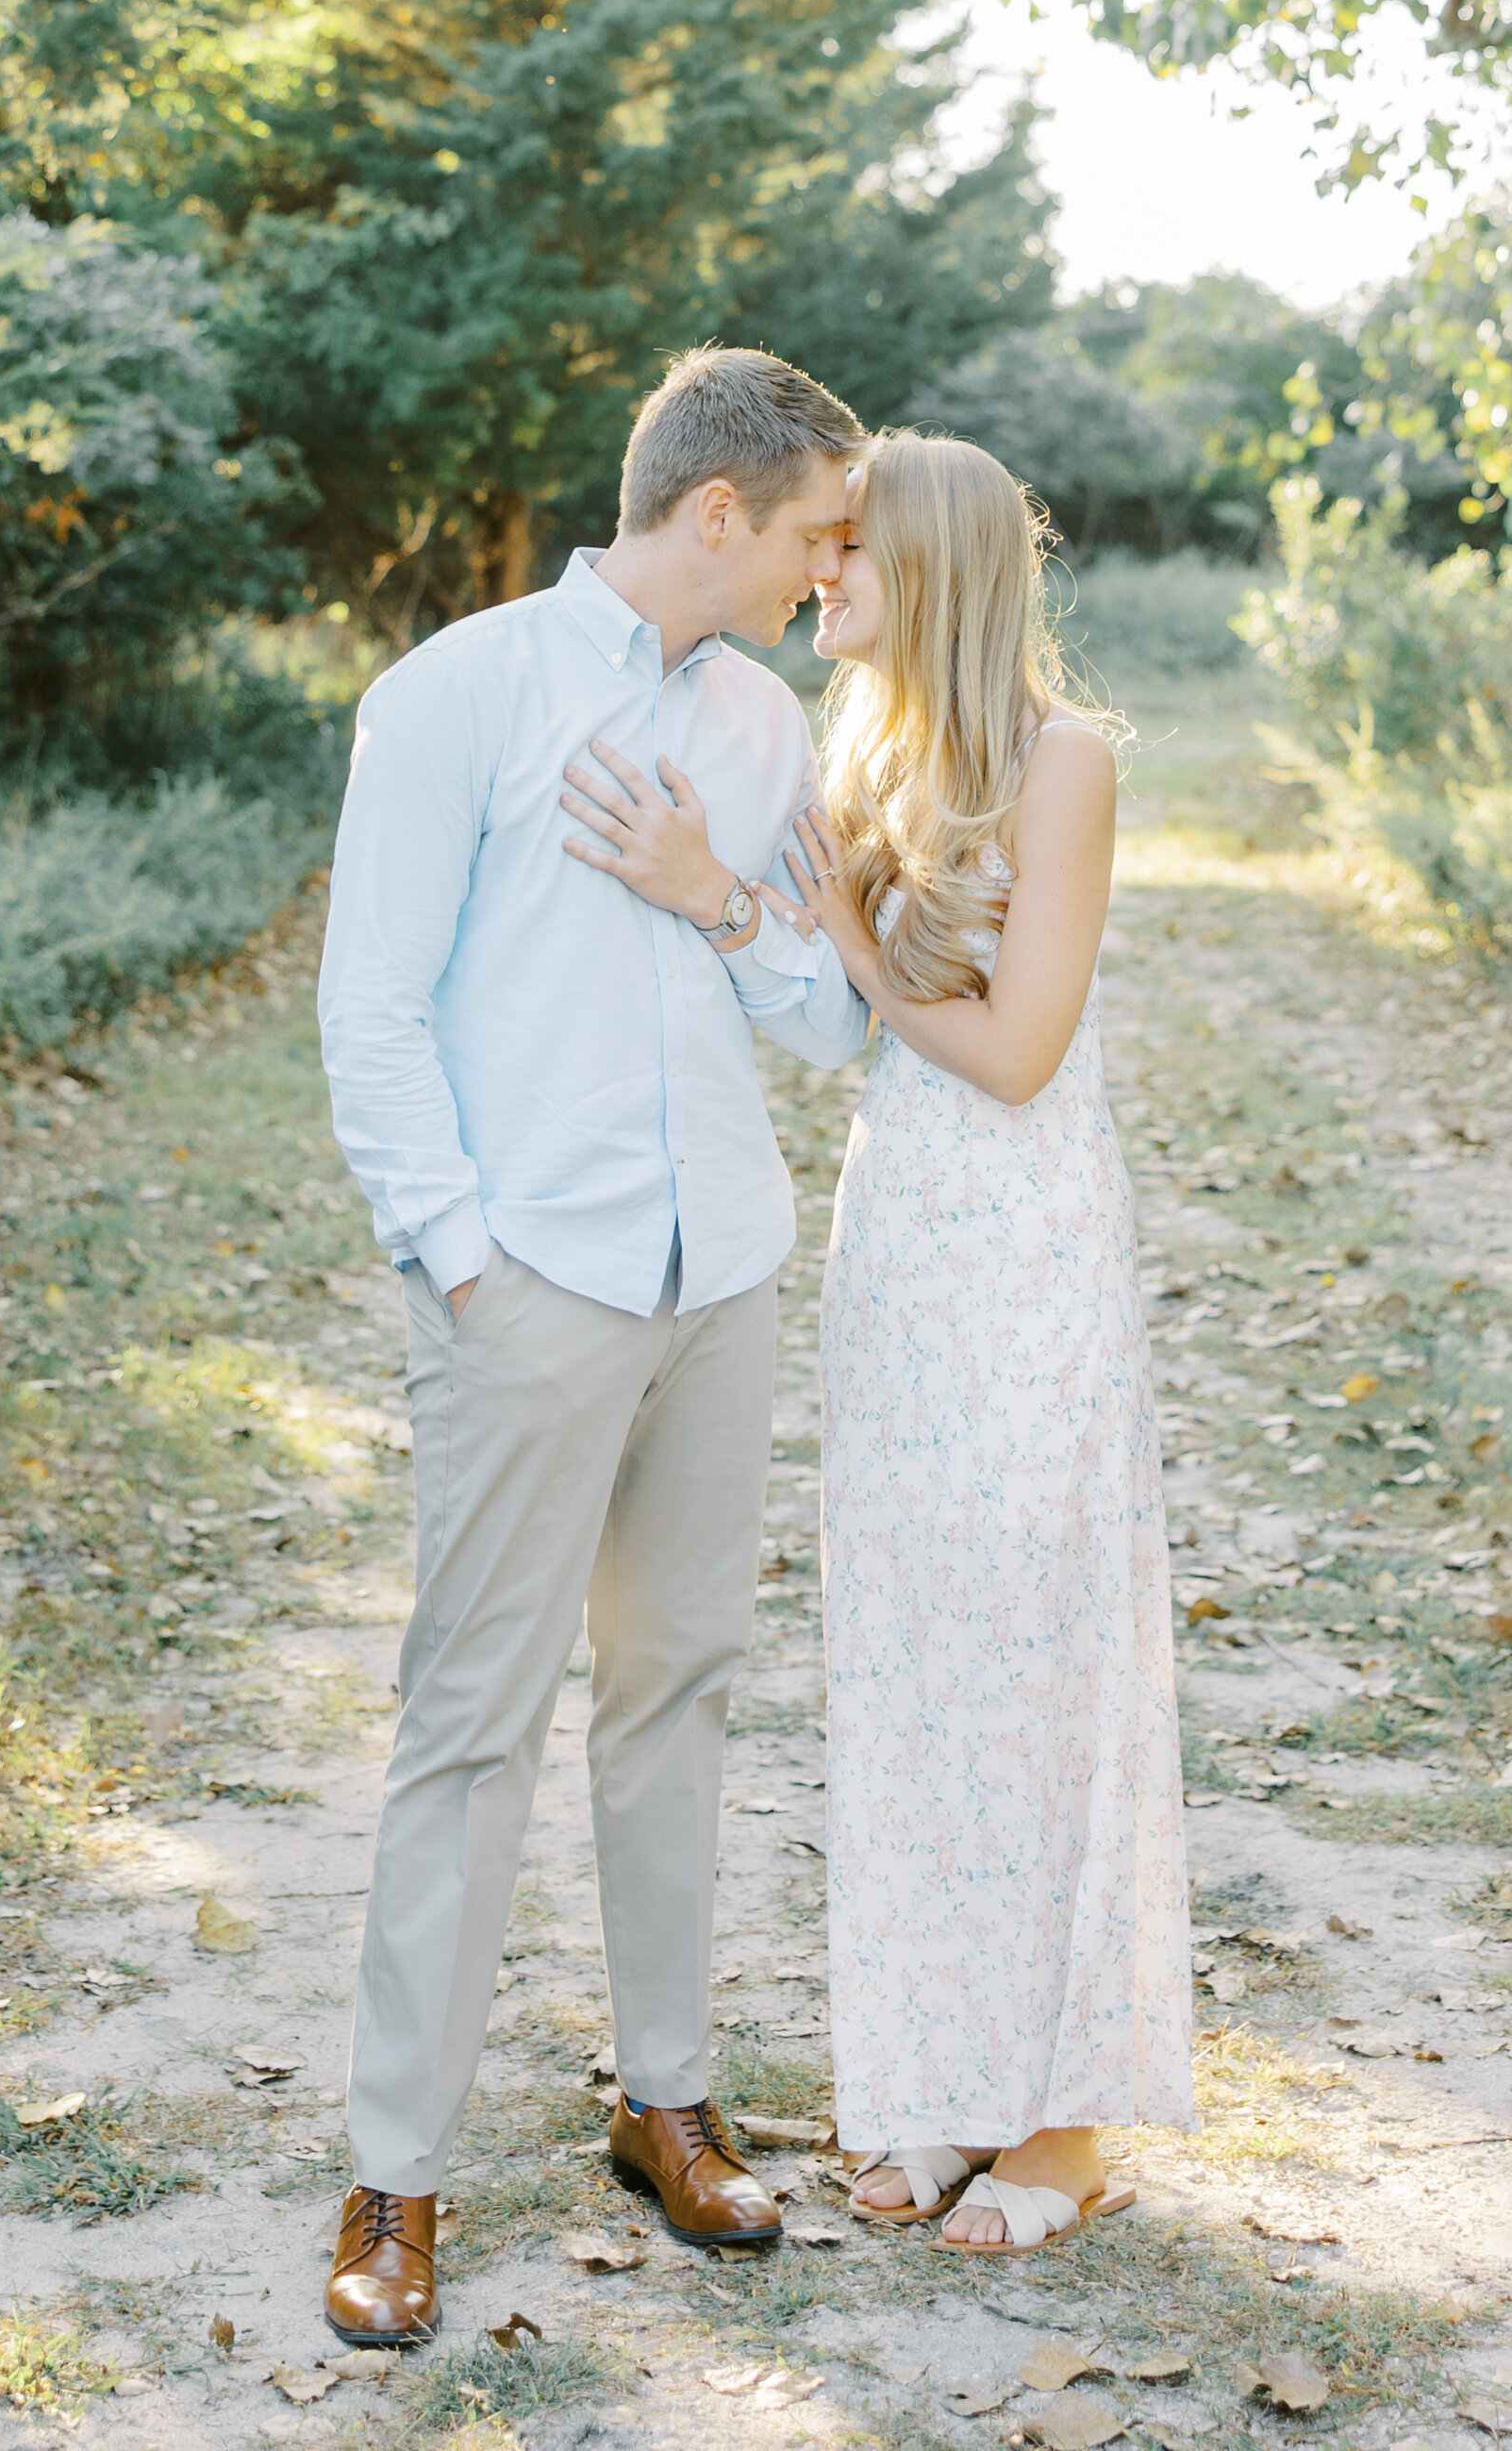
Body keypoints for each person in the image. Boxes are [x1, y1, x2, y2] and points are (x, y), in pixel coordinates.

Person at [311, 346, 877, 2348]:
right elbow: (368, 1013)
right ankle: (397, 2178)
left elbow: (827, 1021)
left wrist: (717, 899)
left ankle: (665, 2100)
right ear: (716, 512)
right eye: (818, 532)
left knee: (679, 1695)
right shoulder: (456, 693)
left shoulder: (761, 726)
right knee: (469, 1724)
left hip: (713, 1272)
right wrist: (459, 1262)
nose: (834, 574)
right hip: (527, 1283)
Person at [773, 430, 1195, 2250]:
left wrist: (863, 958)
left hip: (1025, 1253)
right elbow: (810, 996)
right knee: (916, 1666)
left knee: (1040, 1658)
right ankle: (940, 2084)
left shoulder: (1065, 764)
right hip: (899, 1246)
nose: (817, 574)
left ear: (928, 568)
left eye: (846, 549)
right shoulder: (860, 755)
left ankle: (1065, 2124)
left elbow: (1018, 1051)